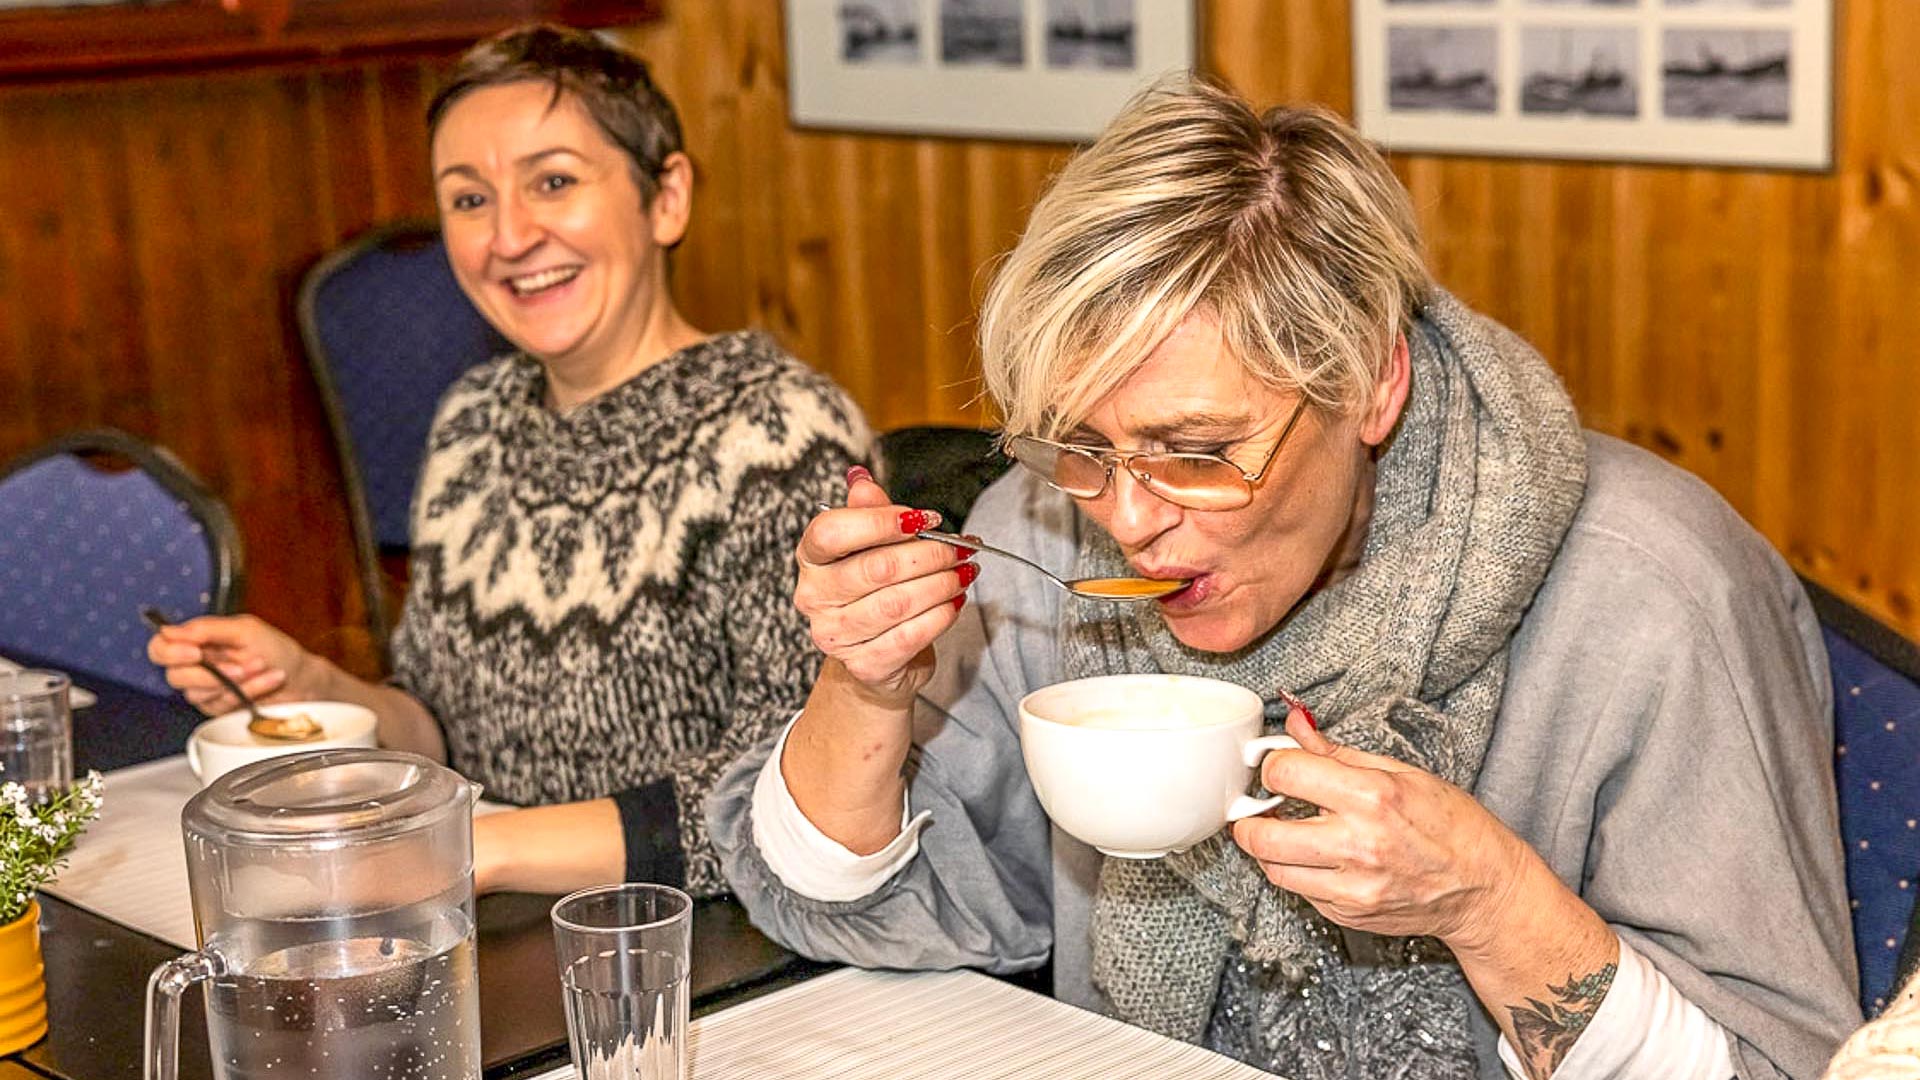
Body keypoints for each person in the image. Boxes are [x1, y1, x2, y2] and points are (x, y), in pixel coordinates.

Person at [709, 78, 1861, 1079]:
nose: (1131, 519)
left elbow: (1776, 1065)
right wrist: (862, 687)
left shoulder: (1651, 597)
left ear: (1374, 383)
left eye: (1200, 452)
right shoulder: (1048, 531)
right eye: (1081, 445)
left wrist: (1487, 900)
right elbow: (861, 907)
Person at [148, 24, 869, 899]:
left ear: (666, 197)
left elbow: (792, 807)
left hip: (701, 950)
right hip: (496, 925)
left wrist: (475, 852)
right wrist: (311, 685)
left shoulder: (781, 435)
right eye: (469, 200)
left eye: (554, 182)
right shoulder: (473, 420)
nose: (510, 236)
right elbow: (440, 731)